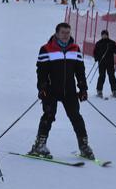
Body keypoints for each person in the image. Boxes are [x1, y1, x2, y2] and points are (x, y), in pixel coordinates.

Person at [29, 22, 94, 160]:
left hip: (69, 90)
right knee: (48, 116)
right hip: (51, 90)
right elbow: (41, 72)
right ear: (57, 33)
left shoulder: (75, 49)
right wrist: (42, 88)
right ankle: (39, 145)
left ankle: (84, 146)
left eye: (68, 33)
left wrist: (83, 88)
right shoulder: (46, 49)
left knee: (76, 117)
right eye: (63, 33)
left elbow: (80, 71)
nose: (66, 35)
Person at [93, 30, 116, 98]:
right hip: (101, 63)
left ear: (108, 35)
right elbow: (95, 52)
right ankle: (99, 91)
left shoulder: (112, 42)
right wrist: (97, 58)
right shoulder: (98, 43)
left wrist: (112, 48)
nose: (104, 36)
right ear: (101, 35)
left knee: (111, 76)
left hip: (110, 62)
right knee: (102, 76)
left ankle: (114, 91)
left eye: (105, 34)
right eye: (103, 34)